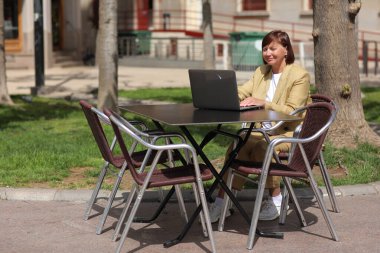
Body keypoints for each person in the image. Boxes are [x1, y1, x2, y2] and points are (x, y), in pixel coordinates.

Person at [209, 30, 311, 223]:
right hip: (261, 130)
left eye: (273, 48)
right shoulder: (261, 72)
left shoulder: (299, 75)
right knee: (237, 146)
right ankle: (224, 202)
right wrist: (224, 96)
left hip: (287, 133)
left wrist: (264, 103)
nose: (267, 53)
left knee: (262, 147)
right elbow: (243, 91)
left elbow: (291, 111)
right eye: (265, 48)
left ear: (286, 50)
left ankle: (276, 199)